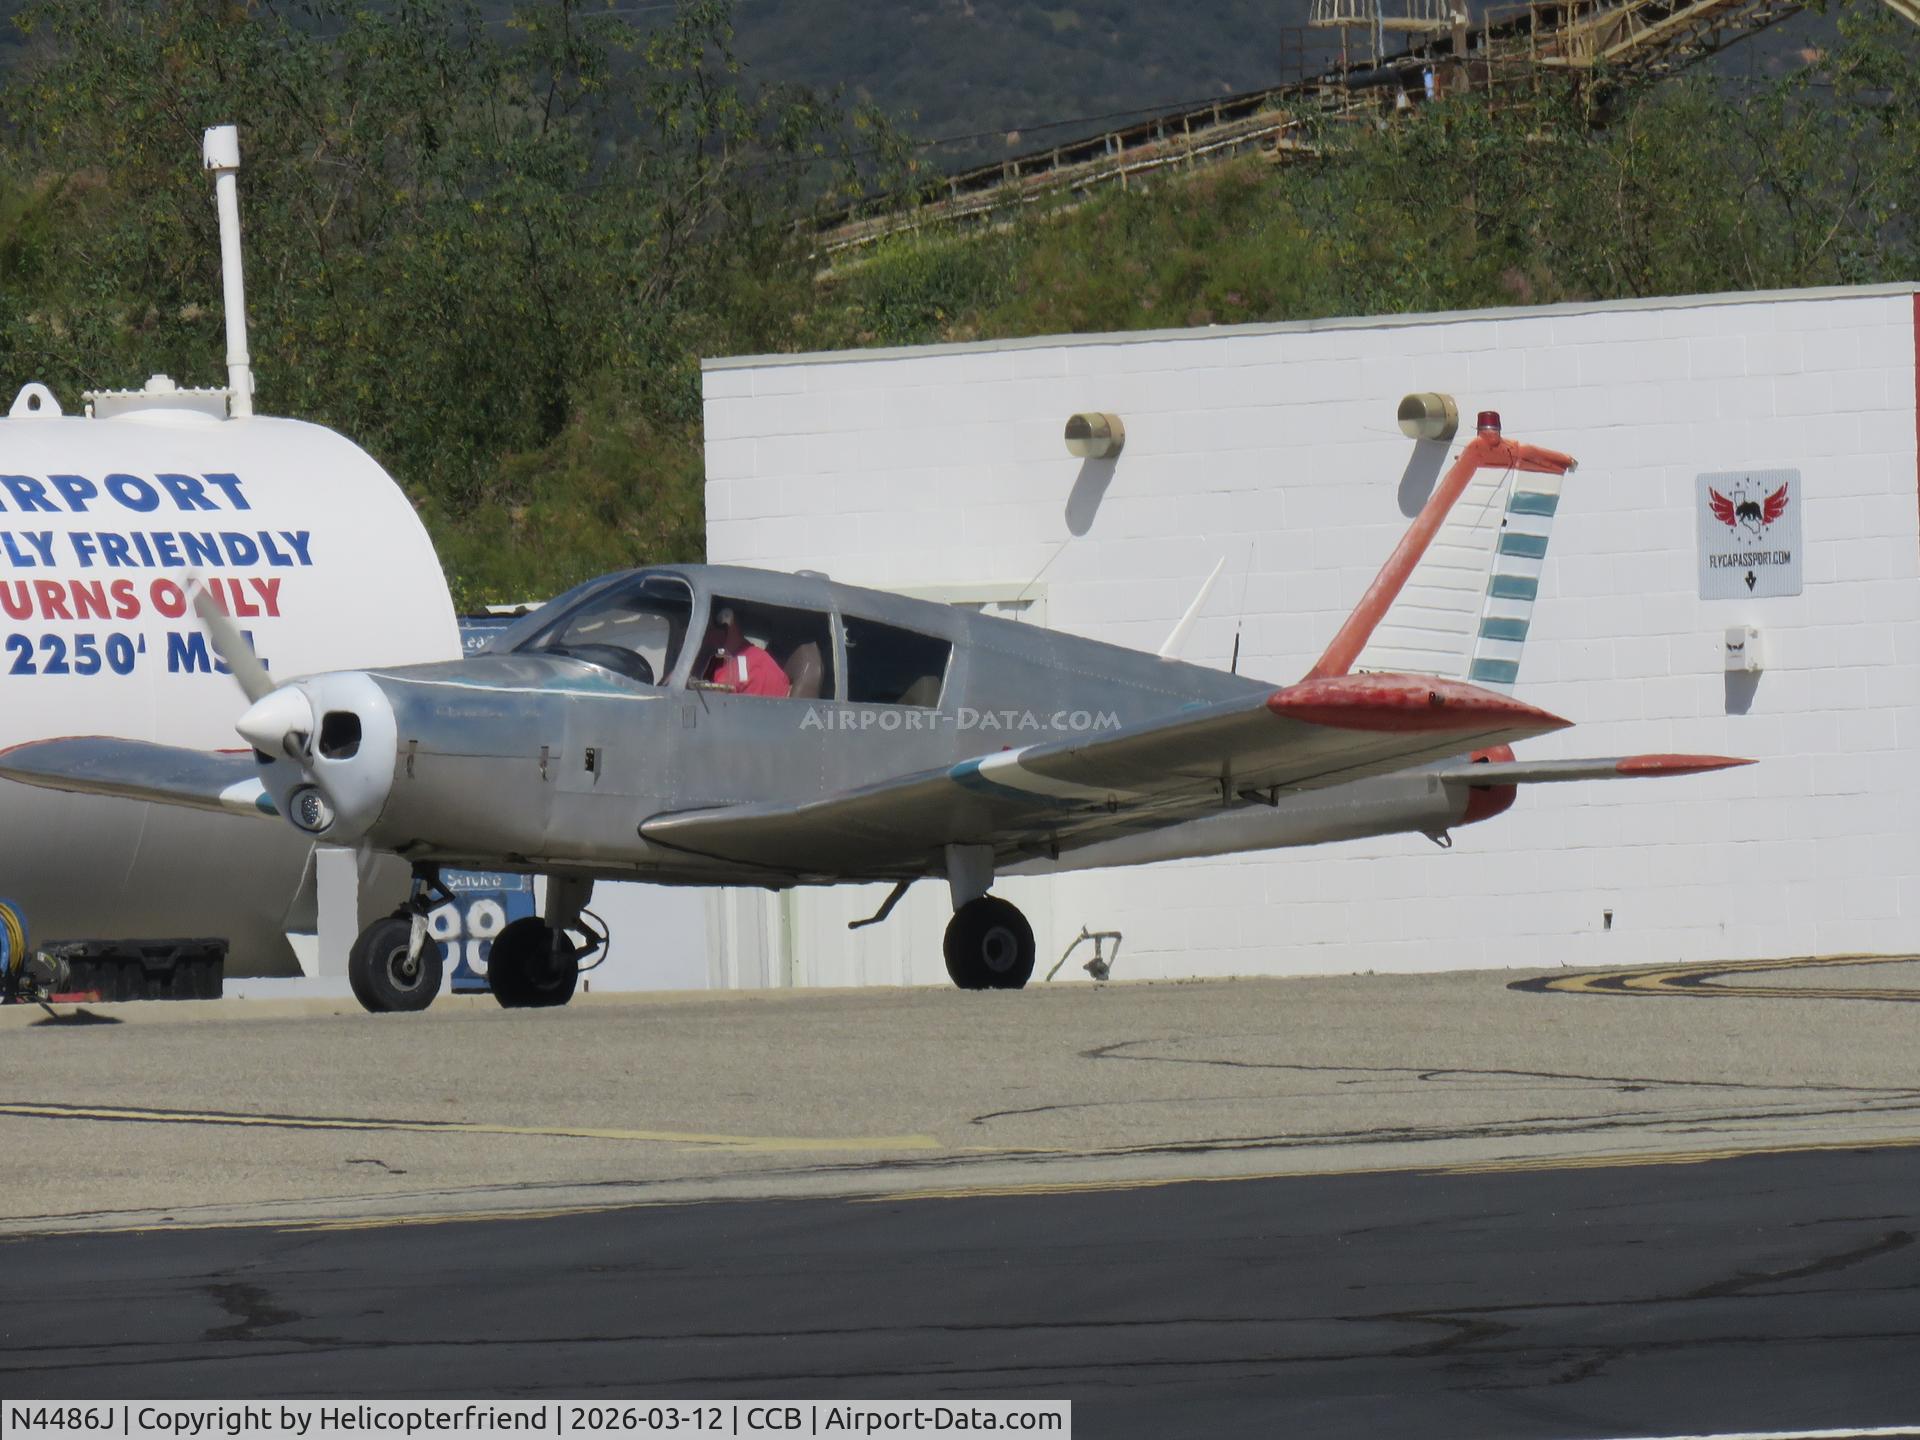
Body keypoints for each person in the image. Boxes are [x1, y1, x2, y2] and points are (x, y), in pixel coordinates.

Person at [700, 607, 790, 697]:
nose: (704, 637)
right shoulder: (718, 661)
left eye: (706, 628)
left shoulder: (757, 666)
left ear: (727, 623)